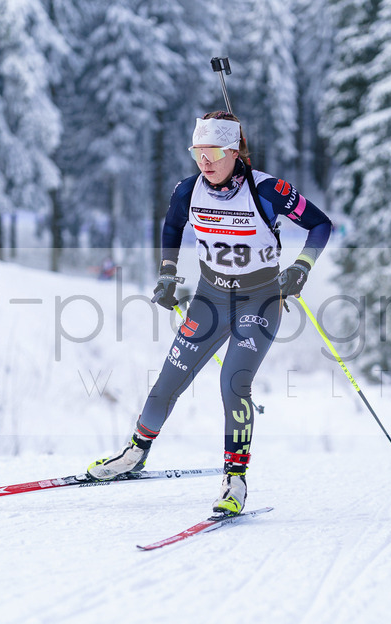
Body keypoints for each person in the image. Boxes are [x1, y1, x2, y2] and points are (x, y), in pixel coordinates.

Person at [86, 111, 333, 515]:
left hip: (260, 300)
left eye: (214, 151)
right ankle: (134, 454)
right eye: (197, 151)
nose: (205, 160)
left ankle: (235, 480)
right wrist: (168, 274)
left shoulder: (268, 190)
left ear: (234, 151)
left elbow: (320, 225)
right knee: (168, 380)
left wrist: (301, 266)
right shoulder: (188, 190)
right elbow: (171, 226)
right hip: (209, 297)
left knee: (233, 381)